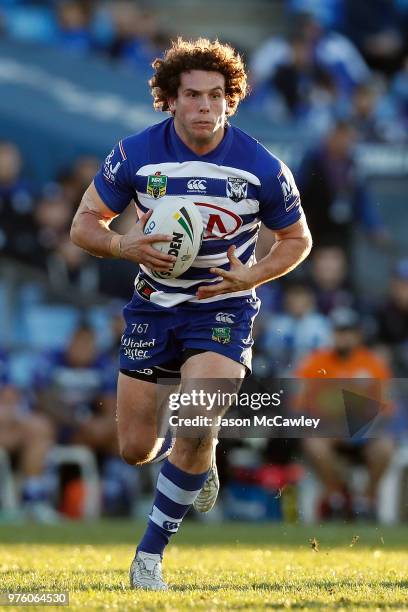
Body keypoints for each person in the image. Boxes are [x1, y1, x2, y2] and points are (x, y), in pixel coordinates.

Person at [71, 37, 312, 590]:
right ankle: (200, 458)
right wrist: (122, 246)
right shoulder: (134, 154)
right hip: (152, 308)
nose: (205, 106)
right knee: (136, 449)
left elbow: (297, 240)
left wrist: (253, 274)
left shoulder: (260, 165)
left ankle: (148, 557)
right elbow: (83, 224)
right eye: (192, 96)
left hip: (222, 307)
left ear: (231, 99)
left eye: (216, 96)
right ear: (170, 100)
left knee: (197, 419)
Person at [295, 307, 394, 520]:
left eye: (348, 332)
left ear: (358, 335)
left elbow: (386, 409)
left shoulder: (373, 364)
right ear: (332, 334)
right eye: (339, 332)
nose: (344, 337)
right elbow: (300, 406)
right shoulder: (315, 363)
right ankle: (336, 498)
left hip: (365, 432)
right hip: (328, 431)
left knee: (385, 447)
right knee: (314, 444)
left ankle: (365, 501)